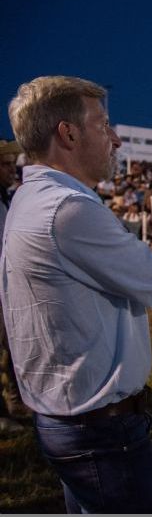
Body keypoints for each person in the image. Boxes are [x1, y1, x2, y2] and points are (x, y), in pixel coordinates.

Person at [1, 76, 152, 512]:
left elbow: (140, 269)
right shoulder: (67, 210)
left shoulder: (37, 197)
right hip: (100, 432)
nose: (115, 137)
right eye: (103, 124)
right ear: (67, 133)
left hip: (74, 423)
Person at [0, 139, 27, 434]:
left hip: (8, 287)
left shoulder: (6, 198)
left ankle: (15, 400)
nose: (12, 170)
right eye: (5, 165)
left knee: (13, 346)